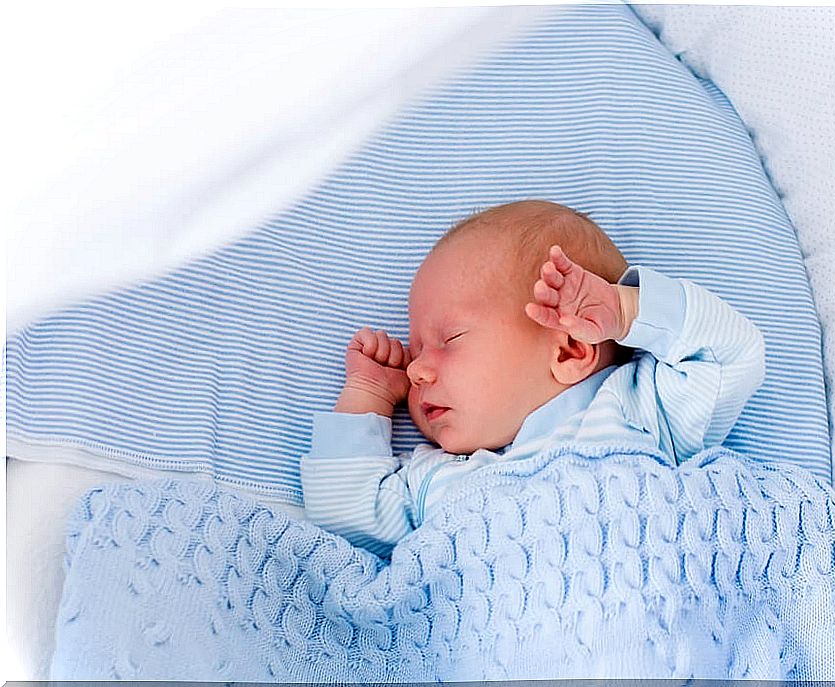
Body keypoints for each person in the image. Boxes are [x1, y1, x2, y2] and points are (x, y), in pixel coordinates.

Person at [300, 200, 765, 556]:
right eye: (416, 349)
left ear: (569, 349)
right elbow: (347, 519)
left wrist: (626, 310)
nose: (416, 368)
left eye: (450, 338)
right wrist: (368, 395)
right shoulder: (435, 478)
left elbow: (730, 355)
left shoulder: (635, 410)